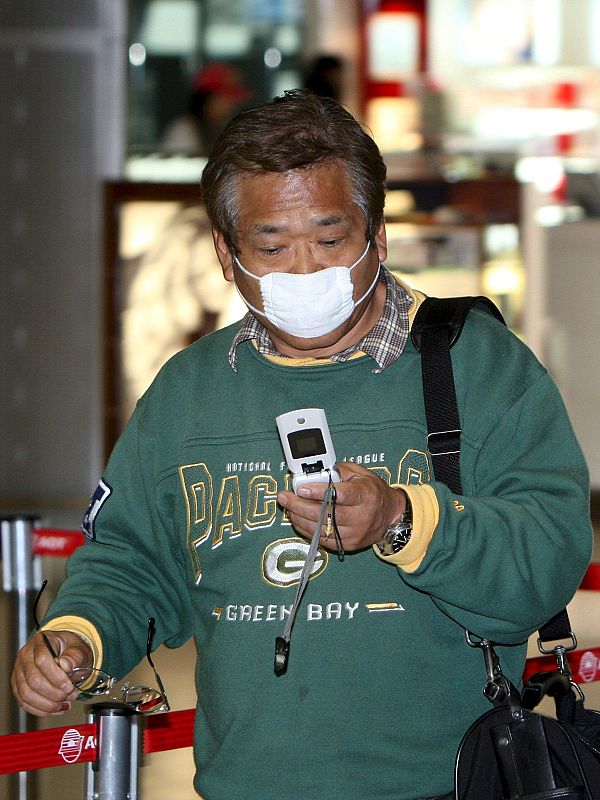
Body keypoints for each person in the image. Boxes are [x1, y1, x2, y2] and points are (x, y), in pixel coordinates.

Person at [12, 90, 592, 800]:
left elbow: (549, 555)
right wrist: (80, 636)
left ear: (378, 236)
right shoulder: (187, 392)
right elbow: (132, 560)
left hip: (444, 783)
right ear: (226, 255)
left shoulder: (478, 365)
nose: (305, 270)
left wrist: (403, 520)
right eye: (271, 247)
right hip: (247, 784)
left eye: (330, 239)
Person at [161, 61, 251, 156]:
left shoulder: (223, 127)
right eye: (227, 98)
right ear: (207, 99)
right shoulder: (184, 129)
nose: (232, 105)